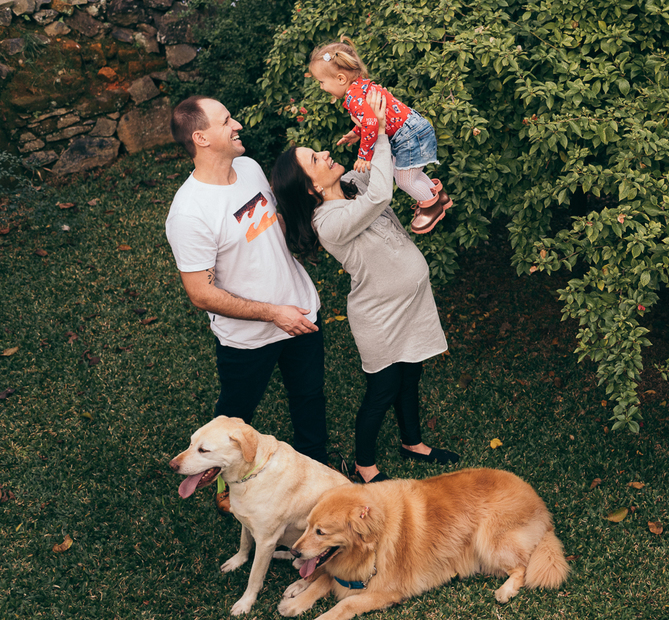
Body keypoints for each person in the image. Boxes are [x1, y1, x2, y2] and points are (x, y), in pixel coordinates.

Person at [271, 87, 458, 483]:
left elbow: (376, 169)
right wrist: (381, 133)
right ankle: (365, 466)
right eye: (314, 160)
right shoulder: (329, 223)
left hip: (411, 303)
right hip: (380, 316)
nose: (324, 153)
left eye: (318, 151)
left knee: (411, 375)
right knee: (382, 389)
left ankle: (413, 442)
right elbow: (381, 193)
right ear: (310, 188)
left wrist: (368, 132)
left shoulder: (354, 181)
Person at [166, 96, 328, 510]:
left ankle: (321, 482)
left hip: (301, 312)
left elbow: (271, 229)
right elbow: (200, 293)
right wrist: (274, 313)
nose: (237, 124)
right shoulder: (190, 213)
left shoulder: (251, 169)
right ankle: (224, 486)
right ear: (201, 137)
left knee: (308, 400)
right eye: (226, 121)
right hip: (248, 337)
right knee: (234, 416)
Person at [308, 37, 452, 235]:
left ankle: (431, 206)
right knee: (411, 173)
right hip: (413, 129)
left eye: (322, 82)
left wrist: (363, 156)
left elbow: (372, 122)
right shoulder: (360, 86)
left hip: (408, 136)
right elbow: (372, 118)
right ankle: (439, 197)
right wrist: (355, 132)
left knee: (404, 181)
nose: (322, 87)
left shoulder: (354, 98)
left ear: (341, 79)